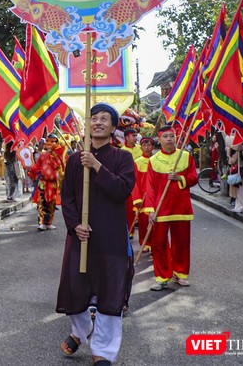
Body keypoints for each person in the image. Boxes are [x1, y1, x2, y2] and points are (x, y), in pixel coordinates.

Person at [57, 103, 135, 366]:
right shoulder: (73, 159)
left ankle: (103, 351)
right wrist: (74, 224)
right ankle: (80, 331)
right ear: (88, 125)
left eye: (105, 119)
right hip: (81, 237)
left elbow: (122, 189)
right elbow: (66, 196)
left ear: (113, 128)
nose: (98, 122)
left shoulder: (122, 158)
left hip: (111, 237)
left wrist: (98, 166)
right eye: (94, 118)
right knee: (75, 292)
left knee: (109, 295)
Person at [145, 125, 198, 291]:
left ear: (176, 138)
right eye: (165, 136)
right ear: (159, 140)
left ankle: (181, 273)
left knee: (182, 243)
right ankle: (162, 277)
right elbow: (150, 187)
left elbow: (193, 178)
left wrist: (179, 178)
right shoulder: (153, 161)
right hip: (161, 209)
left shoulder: (186, 156)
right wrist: (150, 210)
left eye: (172, 136)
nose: (169, 139)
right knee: (159, 244)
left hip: (181, 208)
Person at [29, 134, 64, 231]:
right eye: (48, 141)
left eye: (53, 142)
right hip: (43, 182)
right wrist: (31, 170)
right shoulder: (42, 155)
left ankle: (48, 223)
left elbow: (59, 166)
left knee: (51, 203)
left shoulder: (58, 155)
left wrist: (52, 154)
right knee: (42, 202)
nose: (51, 144)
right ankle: (41, 223)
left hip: (52, 183)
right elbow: (36, 167)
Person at [132, 136, 155, 252]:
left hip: (154, 196)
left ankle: (154, 244)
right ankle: (144, 243)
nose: (147, 147)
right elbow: (134, 181)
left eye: (149, 145)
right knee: (143, 222)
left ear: (153, 147)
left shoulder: (156, 160)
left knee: (155, 222)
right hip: (142, 196)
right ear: (141, 147)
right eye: (144, 145)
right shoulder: (137, 162)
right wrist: (137, 198)